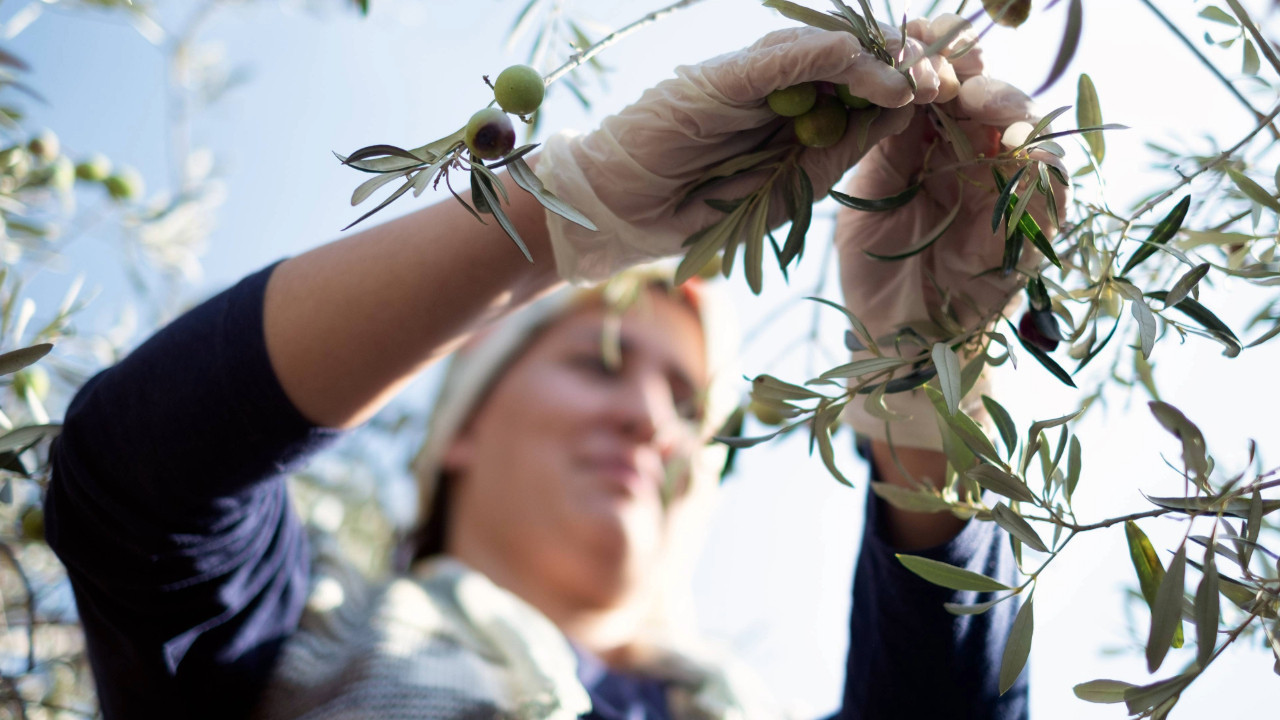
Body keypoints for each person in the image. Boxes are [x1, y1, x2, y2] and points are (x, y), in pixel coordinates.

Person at [43, 15, 1053, 720]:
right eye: (602, 362)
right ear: (465, 423)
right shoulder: (299, 655)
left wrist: (926, 389)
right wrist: (557, 214)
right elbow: (134, 489)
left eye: (686, 405)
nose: (648, 422)